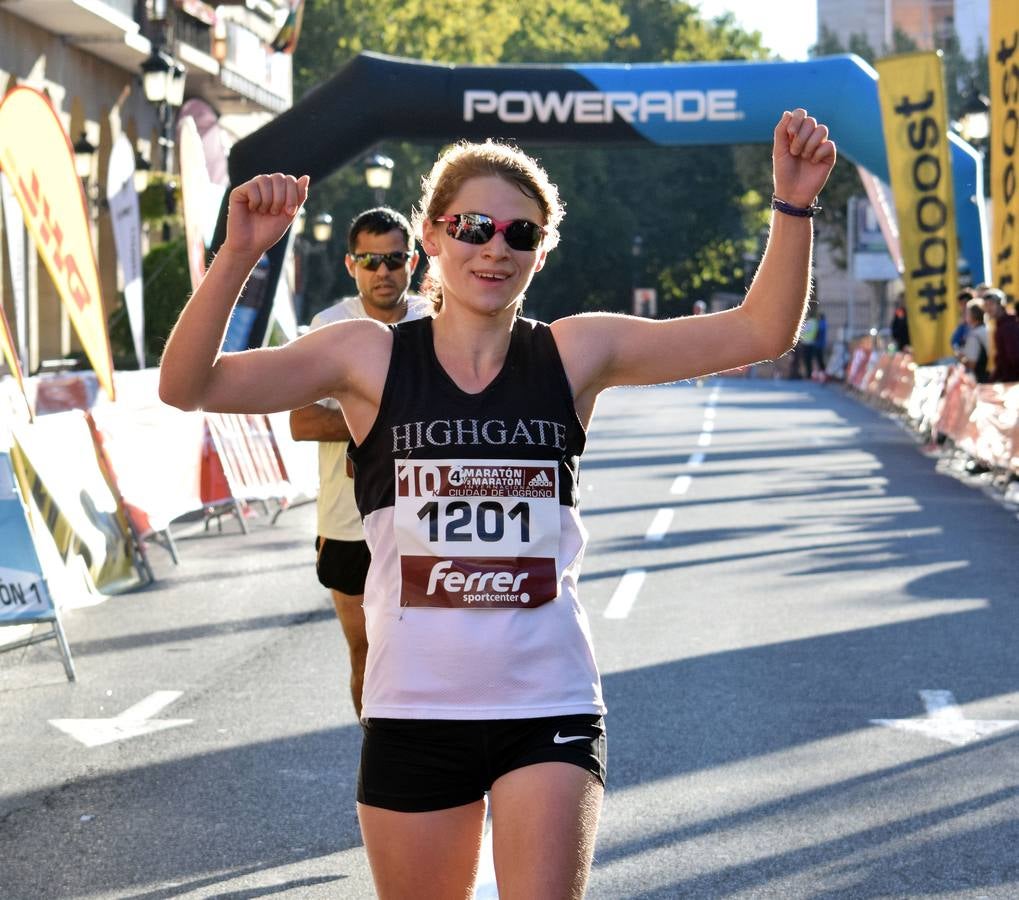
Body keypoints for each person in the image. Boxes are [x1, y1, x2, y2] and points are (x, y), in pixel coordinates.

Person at [158, 107, 836, 898]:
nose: (494, 248)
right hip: (413, 712)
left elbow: (758, 331)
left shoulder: (575, 352)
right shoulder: (366, 358)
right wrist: (240, 251)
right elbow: (188, 386)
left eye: (520, 235)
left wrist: (792, 205)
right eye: (474, 226)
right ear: (432, 237)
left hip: (546, 705)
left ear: (541, 252)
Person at [289, 207, 430, 717]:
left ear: (412, 261)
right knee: (365, 652)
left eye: (394, 259)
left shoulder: (436, 322)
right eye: (370, 260)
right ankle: (379, 762)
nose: (383, 272)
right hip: (348, 522)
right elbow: (302, 422)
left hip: (427, 518)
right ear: (352, 265)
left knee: (429, 654)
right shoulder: (329, 327)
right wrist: (393, 422)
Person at [982, 287, 1019, 382]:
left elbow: (1014, 358)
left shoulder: (1008, 326)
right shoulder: (1000, 325)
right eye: (986, 305)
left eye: (991, 304)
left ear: (1001, 305)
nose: (988, 308)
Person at [956, 298, 989, 383]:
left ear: (973, 315)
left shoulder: (974, 335)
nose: (964, 315)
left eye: (966, 313)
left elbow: (972, 364)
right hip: (990, 375)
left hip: (983, 379)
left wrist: (960, 358)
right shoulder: (987, 329)